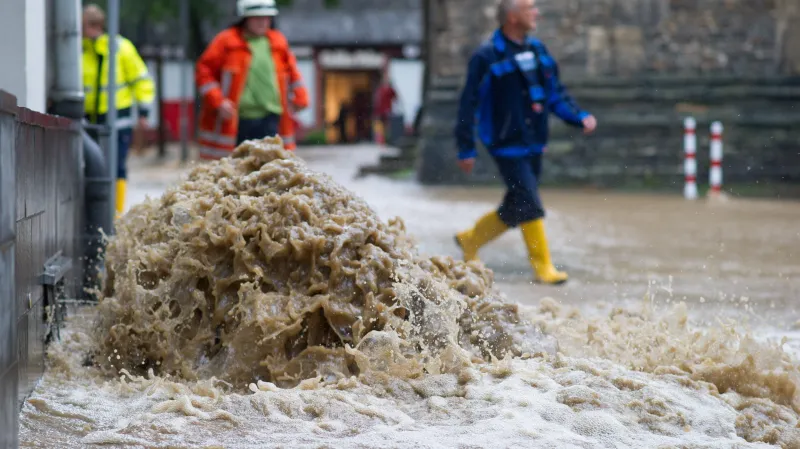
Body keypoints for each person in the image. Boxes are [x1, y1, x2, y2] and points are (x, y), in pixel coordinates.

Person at [453, 0, 597, 285]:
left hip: (535, 142)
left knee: (517, 205)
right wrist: (465, 147)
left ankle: (470, 240)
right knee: (530, 202)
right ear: (512, 16)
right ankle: (543, 267)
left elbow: (554, 93)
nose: (537, 13)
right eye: (530, 8)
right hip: (506, 144)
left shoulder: (538, 50)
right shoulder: (486, 56)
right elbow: (467, 104)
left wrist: (577, 116)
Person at [195, 0, 309, 160]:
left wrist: (301, 96)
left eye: (266, 17)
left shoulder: (277, 42)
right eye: (256, 17)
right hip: (238, 120)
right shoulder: (226, 41)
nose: (262, 22)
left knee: (271, 167)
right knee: (238, 167)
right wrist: (218, 101)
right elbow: (203, 72)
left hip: (271, 117)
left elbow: (293, 73)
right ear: (244, 19)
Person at [82, 4, 155, 216]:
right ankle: (97, 213)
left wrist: (144, 113)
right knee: (92, 168)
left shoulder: (120, 48)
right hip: (88, 120)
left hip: (117, 120)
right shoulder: (79, 49)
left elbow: (142, 81)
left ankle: (114, 215)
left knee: (116, 166)